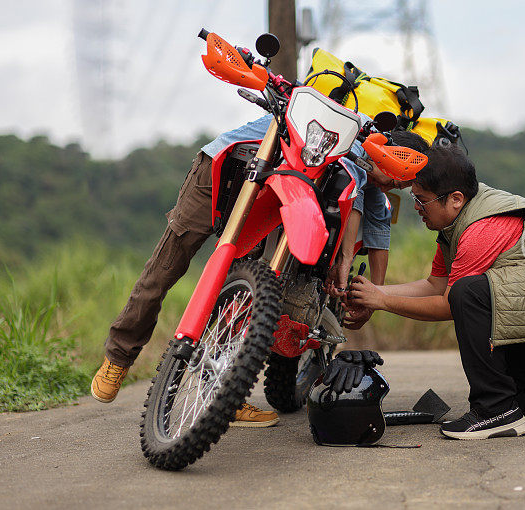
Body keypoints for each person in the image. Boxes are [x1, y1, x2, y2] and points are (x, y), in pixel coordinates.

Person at [90, 113, 426, 427]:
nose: (390, 190)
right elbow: (354, 191)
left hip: (269, 191)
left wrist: (374, 295)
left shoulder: (369, 177)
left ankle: (225, 392)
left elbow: (375, 219)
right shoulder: (352, 130)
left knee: (247, 293)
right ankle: (118, 357)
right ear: (392, 156)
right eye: (395, 182)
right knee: (166, 268)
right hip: (226, 171)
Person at [348, 144, 525, 440]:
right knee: (513, 398)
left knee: (466, 294)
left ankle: (493, 412)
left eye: (422, 201)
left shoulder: (479, 229)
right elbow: (434, 284)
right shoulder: (456, 223)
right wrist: (374, 292)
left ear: (456, 199)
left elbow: (449, 304)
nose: (417, 208)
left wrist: (382, 301)